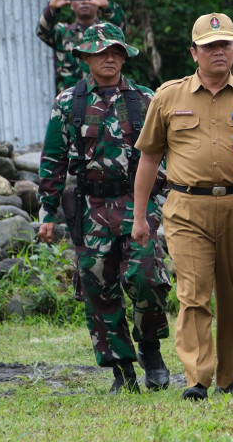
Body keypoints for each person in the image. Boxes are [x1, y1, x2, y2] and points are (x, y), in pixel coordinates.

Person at [132, 12, 233, 401]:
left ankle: (228, 376)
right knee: (193, 293)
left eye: (226, 44)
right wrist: (139, 216)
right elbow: (149, 158)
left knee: (232, 296)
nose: (219, 51)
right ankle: (197, 379)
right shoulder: (168, 96)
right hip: (186, 207)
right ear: (194, 53)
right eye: (210, 46)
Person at [37, 22, 171, 394]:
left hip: (137, 204)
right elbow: (53, 160)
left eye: (115, 51)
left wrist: (168, 194)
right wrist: (47, 213)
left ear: (124, 56)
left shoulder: (146, 99)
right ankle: (122, 370)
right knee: (99, 288)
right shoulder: (69, 102)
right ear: (85, 58)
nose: (108, 58)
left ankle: (151, 350)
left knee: (146, 277)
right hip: (90, 207)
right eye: (100, 52)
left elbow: (168, 152)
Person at [37, 0, 126, 92]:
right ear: (71, 4)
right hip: (70, 99)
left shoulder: (107, 33)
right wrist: (52, 8)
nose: (84, 1)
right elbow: (42, 31)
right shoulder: (62, 32)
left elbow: (121, 28)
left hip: (102, 98)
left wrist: (106, 6)